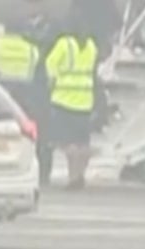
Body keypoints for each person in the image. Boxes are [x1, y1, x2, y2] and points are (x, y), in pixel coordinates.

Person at [0, 0, 55, 185]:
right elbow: (42, 76)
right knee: (35, 137)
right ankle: (41, 174)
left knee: (0, 137)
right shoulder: (32, 50)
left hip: (1, 97)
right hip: (29, 97)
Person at [40, 16, 100, 191]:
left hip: (64, 99)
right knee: (82, 142)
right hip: (85, 100)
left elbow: (50, 67)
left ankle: (73, 176)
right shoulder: (91, 46)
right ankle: (79, 174)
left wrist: (51, 87)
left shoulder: (64, 44)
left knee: (67, 142)